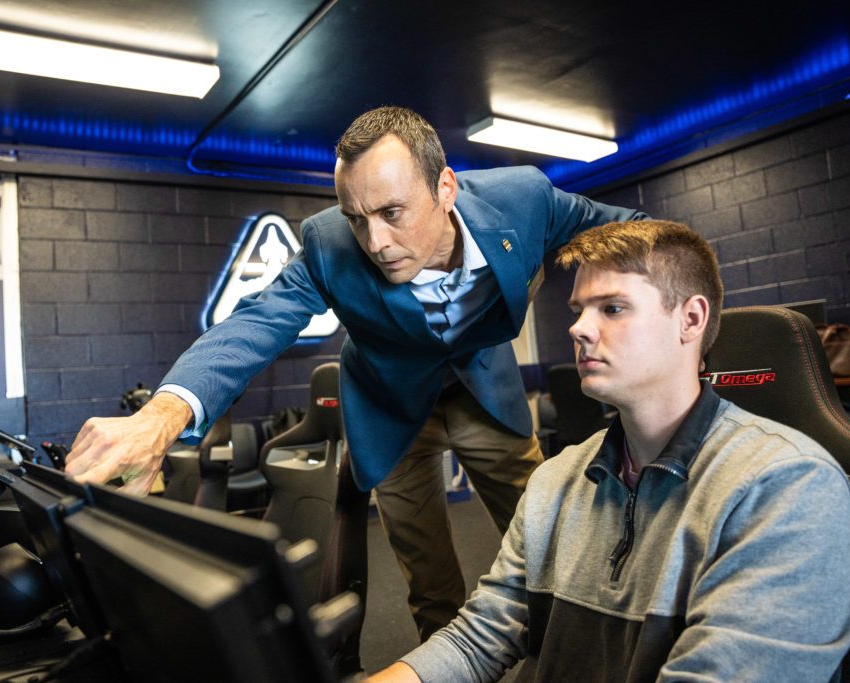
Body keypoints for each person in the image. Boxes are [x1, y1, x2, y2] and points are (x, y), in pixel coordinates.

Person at [64, 106, 646, 639]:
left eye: (392, 213)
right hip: (391, 410)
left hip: (484, 391)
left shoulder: (522, 199)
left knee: (550, 544)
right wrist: (162, 417)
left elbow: (631, 230)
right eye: (357, 218)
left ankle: (572, 651)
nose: (375, 241)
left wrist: (664, 311)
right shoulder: (328, 243)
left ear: (445, 188)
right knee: (430, 584)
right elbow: (256, 324)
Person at [369, 219, 850, 682]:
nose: (579, 328)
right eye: (579, 310)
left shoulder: (788, 487)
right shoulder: (555, 480)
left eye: (612, 308)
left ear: (690, 320)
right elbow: (477, 640)